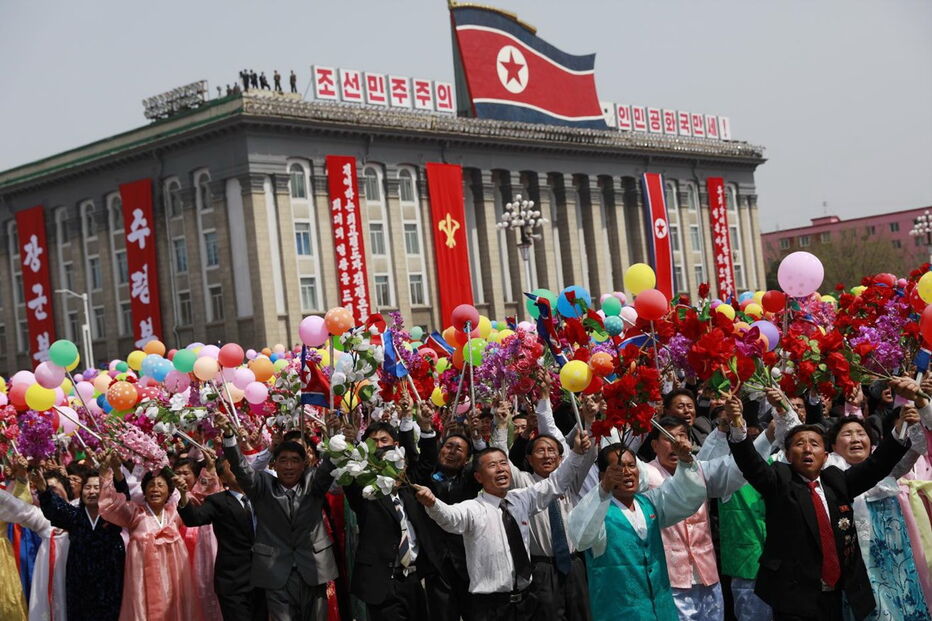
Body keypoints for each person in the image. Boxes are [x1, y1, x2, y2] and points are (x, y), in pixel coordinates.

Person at [726, 396, 914, 620]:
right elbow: (751, 464)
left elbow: (876, 466)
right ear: (788, 456)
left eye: (814, 444)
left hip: (836, 594)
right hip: (793, 595)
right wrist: (737, 424)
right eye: (799, 444)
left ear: (825, 457)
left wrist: (901, 429)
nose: (807, 449)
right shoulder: (780, 479)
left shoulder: (836, 481)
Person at [414, 429, 594, 621]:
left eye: (503, 463)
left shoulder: (521, 499)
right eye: (492, 465)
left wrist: (576, 454)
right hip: (490, 608)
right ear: (478, 477)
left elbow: (555, 483)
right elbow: (449, 517)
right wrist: (433, 503)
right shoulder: (473, 509)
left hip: (526, 602)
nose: (500, 469)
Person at [567, 439, 707, 621]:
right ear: (602, 475)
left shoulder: (649, 502)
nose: (626, 472)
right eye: (618, 468)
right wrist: (603, 489)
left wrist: (686, 461)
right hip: (619, 613)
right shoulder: (597, 511)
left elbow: (687, 497)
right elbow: (581, 538)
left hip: (661, 611)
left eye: (631, 465)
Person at [219, 412, 337, 621]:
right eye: (283, 461)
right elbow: (240, 467)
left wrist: (334, 434)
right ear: (274, 464)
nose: (289, 466)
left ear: (304, 464)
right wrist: (229, 436)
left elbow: (329, 465)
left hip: (314, 568)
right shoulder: (262, 485)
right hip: (275, 572)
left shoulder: (313, 482)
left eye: (295, 461)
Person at [826, 414, 930, 619]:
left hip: (895, 564)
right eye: (847, 434)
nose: (855, 439)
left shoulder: (889, 472)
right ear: (834, 446)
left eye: (861, 433)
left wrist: (909, 422)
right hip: (856, 571)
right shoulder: (828, 480)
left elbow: (917, 447)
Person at [342, 418, 442, 621]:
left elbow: (427, 462)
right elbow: (351, 480)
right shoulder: (368, 493)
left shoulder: (411, 490)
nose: (392, 469)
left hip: (414, 579)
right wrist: (350, 445)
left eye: (395, 464)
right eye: (385, 465)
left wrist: (425, 428)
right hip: (383, 583)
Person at [98, 451, 203, 621]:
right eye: (151, 485)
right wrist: (105, 471)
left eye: (161, 485)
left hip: (174, 581)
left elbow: (199, 498)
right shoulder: (135, 514)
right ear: (144, 491)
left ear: (169, 491)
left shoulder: (175, 513)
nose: (155, 489)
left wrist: (184, 490)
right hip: (143, 584)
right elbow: (110, 504)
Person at [178, 455, 268, 621]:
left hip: (263, 578)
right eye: (232, 467)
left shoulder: (261, 496)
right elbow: (194, 519)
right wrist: (183, 495)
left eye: (241, 465)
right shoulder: (217, 501)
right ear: (223, 477)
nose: (239, 470)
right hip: (233, 581)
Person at [37, 468, 125, 621]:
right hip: (80, 586)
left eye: (96, 487)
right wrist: (44, 490)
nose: (91, 491)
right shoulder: (75, 516)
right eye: (87, 487)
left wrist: (116, 470)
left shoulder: (113, 516)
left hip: (109, 583)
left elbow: (124, 497)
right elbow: (56, 508)